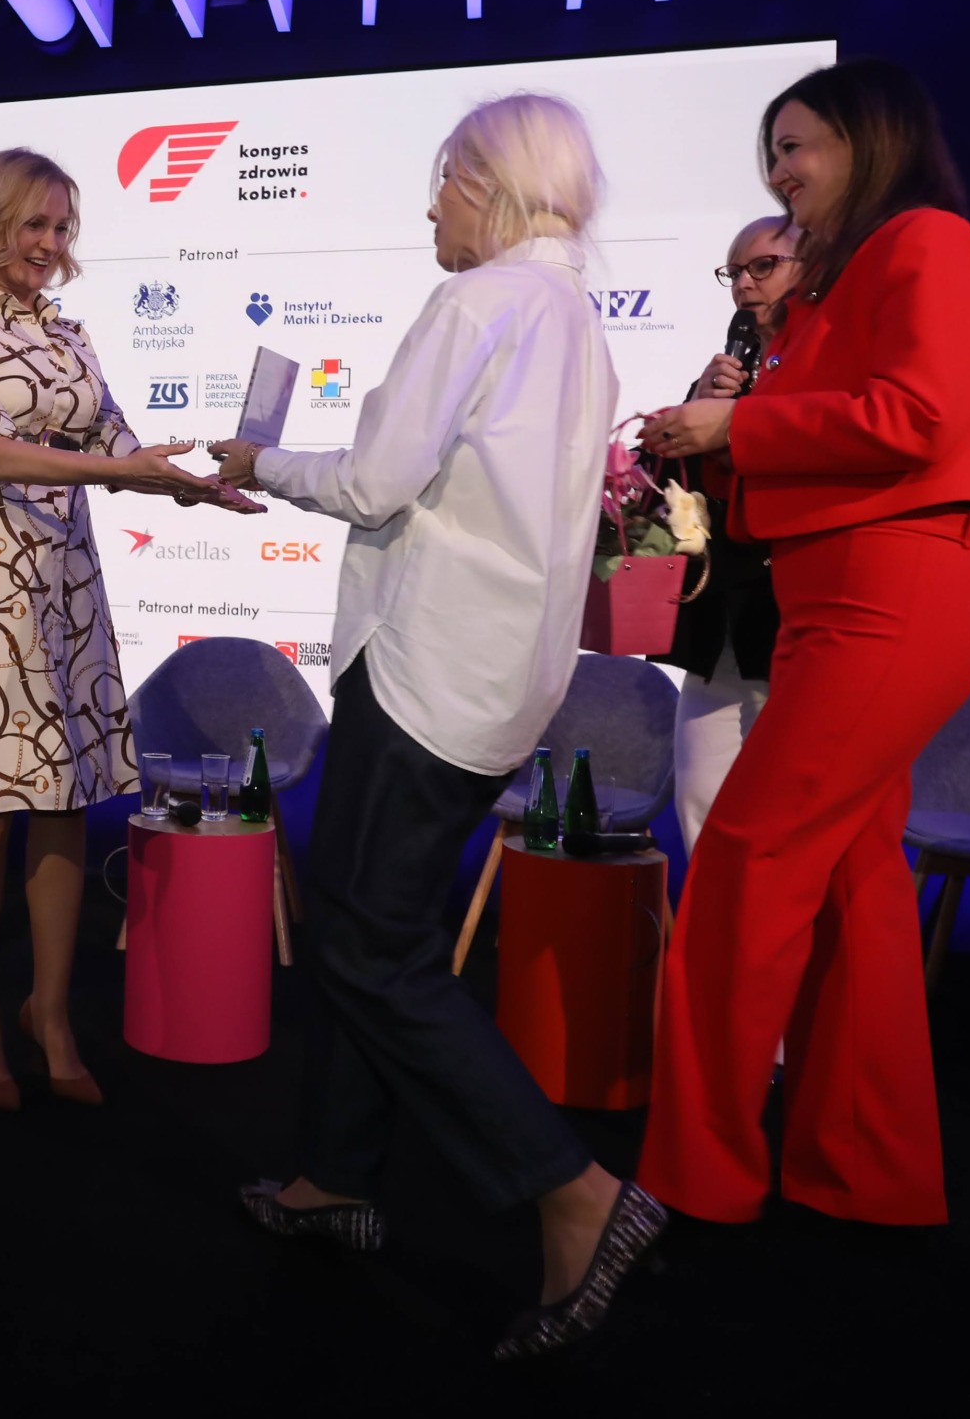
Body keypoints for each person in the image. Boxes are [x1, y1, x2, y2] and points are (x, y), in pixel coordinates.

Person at [208, 94, 666, 1362]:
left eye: (443, 181)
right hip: (496, 680)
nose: (428, 207)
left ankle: (573, 1189)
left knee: (370, 947)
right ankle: (334, 1175)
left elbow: (371, 482)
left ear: (489, 186)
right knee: (379, 925)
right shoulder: (570, 315)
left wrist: (256, 462)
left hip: (420, 671)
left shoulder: (479, 303)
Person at [634, 58, 970, 1227]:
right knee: (854, 881)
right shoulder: (830, 285)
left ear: (869, 139)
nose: (778, 172)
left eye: (794, 145)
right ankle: (861, 1168)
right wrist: (710, 438)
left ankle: (695, 1173)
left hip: (889, 590)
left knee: (745, 862)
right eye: (772, 151)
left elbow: (914, 417)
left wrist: (738, 425)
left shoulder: (926, 243)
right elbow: (804, 458)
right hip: (833, 596)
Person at [0, 148, 259, 1113]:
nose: (50, 244)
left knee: (63, 798)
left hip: (63, 581)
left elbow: (115, 441)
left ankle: (48, 1014)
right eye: (34, 224)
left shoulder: (69, 334)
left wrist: (191, 489)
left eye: (62, 227)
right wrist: (122, 473)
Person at [650, 215, 803, 855]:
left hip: (790, 609)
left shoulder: (823, 363)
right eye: (734, 271)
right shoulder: (730, 365)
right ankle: (708, 918)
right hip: (719, 615)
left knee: (781, 809)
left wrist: (739, 423)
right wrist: (696, 409)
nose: (743, 283)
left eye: (762, 266)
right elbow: (676, 488)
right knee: (699, 796)